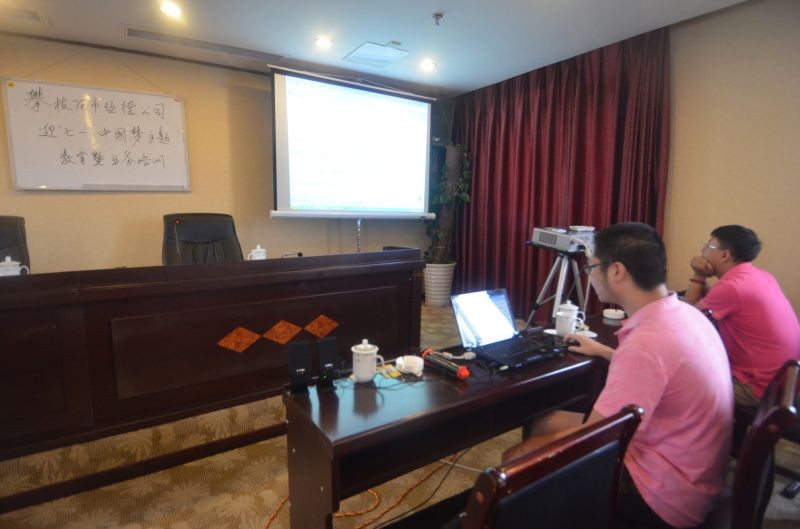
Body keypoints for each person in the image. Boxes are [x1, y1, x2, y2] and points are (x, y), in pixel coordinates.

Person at [504, 222, 732, 529]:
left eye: (591, 267)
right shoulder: (685, 314)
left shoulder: (646, 343)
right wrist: (604, 351)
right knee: (543, 422)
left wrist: (523, 455)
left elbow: (594, 438)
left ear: (616, 271)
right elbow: (660, 372)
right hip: (691, 468)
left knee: (516, 459)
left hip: (661, 498)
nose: (589, 274)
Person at [682, 225, 800, 407]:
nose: (702, 251)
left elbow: (684, 320)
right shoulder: (760, 275)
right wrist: (701, 280)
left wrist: (698, 275)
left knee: (681, 381)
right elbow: (717, 300)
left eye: (708, 246)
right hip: (787, 383)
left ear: (725, 255)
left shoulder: (732, 287)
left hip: (758, 389)